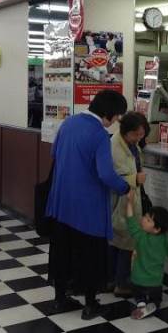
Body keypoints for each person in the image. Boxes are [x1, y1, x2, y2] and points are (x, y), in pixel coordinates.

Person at [46, 90, 130, 320]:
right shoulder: (99, 134)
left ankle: (60, 300)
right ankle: (91, 305)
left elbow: (54, 152)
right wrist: (125, 187)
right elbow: (106, 174)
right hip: (88, 208)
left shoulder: (69, 123)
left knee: (62, 253)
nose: (116, 121)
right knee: (91, 256)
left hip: (61, 202)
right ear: (109, 113)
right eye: (117, 116)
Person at [125, 189, 168, 320]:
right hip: (155, 281)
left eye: (148, 220)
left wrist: (129, 203)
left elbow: (130, 221)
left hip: (137, 279)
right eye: (145, 216)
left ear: (157, 229)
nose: (143, 219)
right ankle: (154, 304)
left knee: (137, 291)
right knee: (156, 297)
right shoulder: (164, 240)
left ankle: (141, 303)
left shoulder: (140, 236)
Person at [109, 112, 148, 298]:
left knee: (120, 241)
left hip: (130, 198)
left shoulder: (130, 143)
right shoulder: (115, 147)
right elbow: (113, 177)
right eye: (136, 134)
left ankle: (113, 279)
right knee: (125, 242)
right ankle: (121, 283)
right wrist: (135, 179)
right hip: (122, 200)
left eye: (142, 134)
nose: (139, 137)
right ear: (126, 131)